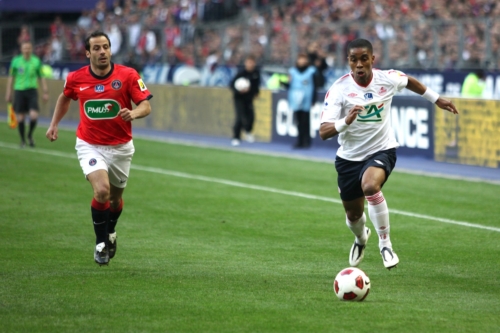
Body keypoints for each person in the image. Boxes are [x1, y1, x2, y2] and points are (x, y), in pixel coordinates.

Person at [320, 39, 458, 269]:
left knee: (371, 186)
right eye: (354, 60)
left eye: (364, 58)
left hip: (382, 149)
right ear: (348, 62)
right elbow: (324, 131)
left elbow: (410, 82)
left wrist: (437, 99)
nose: (359, 64)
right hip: (349, 158)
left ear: (373, 59)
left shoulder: (388, 79)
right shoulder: (338, 90)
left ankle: (385, 245)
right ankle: (361, 237)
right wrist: (346, 121)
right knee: (353, 216)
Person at [45, 31, 152, 266]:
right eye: (96, 48)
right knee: (101, 191)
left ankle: (110, 232)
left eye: (106, 47)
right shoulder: (76, 78)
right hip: (89, 144)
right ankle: (101, 243)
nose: (102, 51)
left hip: (121, 147)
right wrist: (54, 124)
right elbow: (65, 97)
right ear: (87, 53)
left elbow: (146, 105)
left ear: (110, 50)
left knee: (114, 200)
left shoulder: (128, 75)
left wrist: (133, 112)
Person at [5, 41, 49, 147]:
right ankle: (23, 140)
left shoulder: (36, 61)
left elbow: (41, 76)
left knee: (34, 116)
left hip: (32, 91)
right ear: (21, 49)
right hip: (19, 91)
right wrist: (8, 92)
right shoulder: (16, 61)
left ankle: (29, 135)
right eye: (25, 48)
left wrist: (45, 91)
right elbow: (11, 77)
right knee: (21, 118)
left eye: (28, 48)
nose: (27, 50)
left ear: (31, 49)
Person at [230, 55, 260, 146]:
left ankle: (248, 131)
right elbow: (232, 85)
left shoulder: (256, 73)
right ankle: (236, 137)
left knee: (251, 117)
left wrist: (255, 92)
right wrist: (239, 91)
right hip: (239, 99)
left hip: (249, 99)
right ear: (245, 63)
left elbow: (256, 85)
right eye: (248, 62)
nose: (250, 64)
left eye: (252, 62)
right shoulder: (241, 73)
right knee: (240, 117)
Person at [288, 53, 316, 149]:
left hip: (306, 100)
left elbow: (315, 85)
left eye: (304, 59)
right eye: (301, 59)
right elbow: (289, 84)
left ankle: (306, 141)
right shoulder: (292, 72)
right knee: (298, 121)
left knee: (306, 121)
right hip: (295, 100)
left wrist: (313, 99)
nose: (302, 61)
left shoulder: (311, 71)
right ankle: (299, 141)